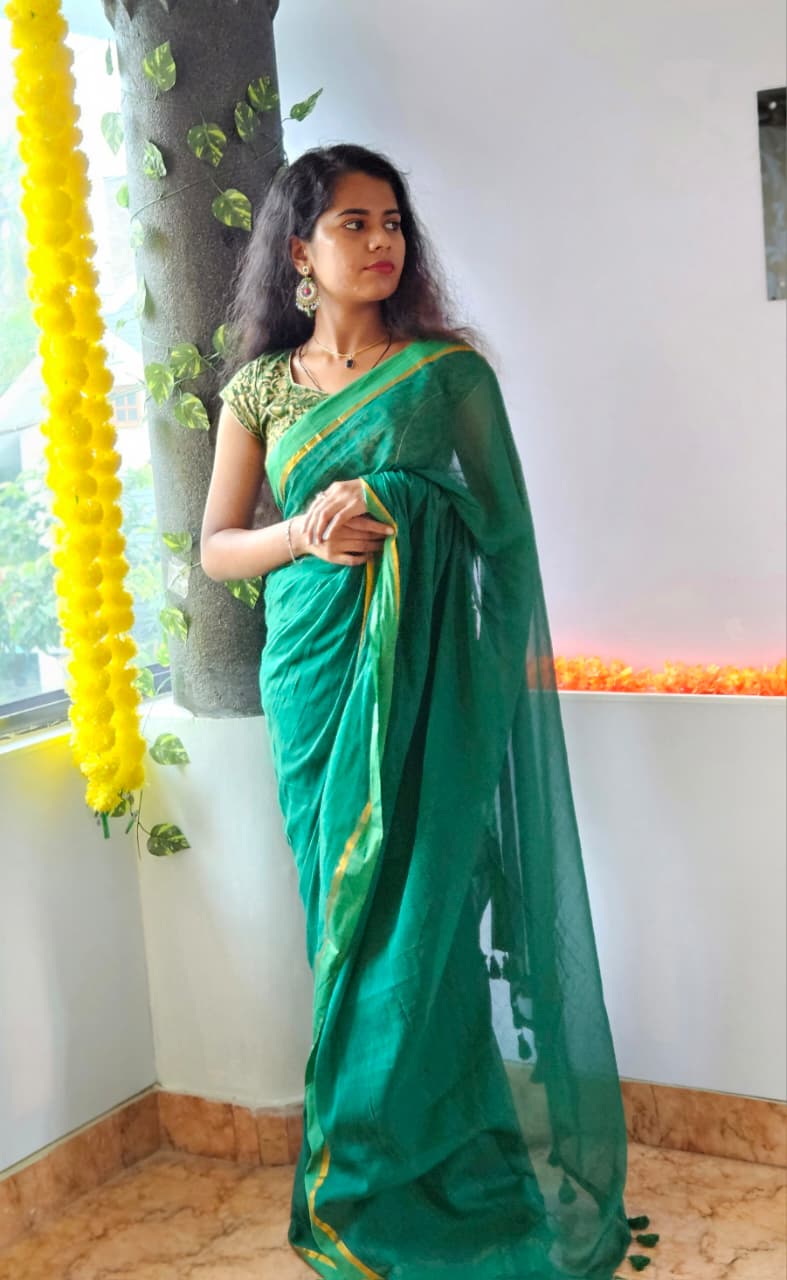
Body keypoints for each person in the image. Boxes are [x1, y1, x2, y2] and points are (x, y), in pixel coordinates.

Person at [201, 144, 657, 1280]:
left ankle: (430, 1158)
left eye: (393, 220)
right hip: (313, 681)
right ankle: (365, 1171)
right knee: (345, 925)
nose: (382, 241)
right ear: (299, 251)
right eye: (354, 223)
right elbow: (217, 549)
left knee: (426, 926)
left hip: (434, 692)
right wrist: (303, 531)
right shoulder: (257, 390)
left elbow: (506, 538)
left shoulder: (447, 374)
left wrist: (401, 507)